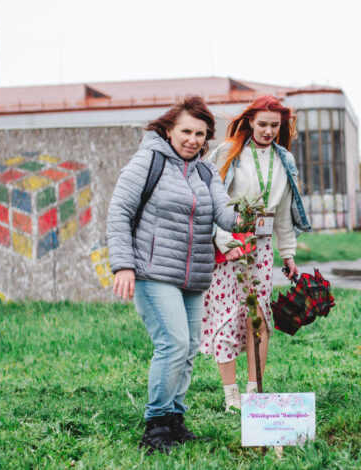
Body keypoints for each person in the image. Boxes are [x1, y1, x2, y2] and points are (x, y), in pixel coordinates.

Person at [107, 96, 240, 454]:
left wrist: (248, 215)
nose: (193, 139)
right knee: (174, 343)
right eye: (186, 131)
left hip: (193, 276)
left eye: (200, 133)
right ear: (168, 130)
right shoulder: (148, 160)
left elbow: (224, 213)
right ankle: (156, 425)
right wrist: (123, 265)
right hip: (152, 272)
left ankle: (175, 420)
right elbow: (119, 212)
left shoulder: (205, 171)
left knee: (190, 348)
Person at [202, 95, 310, 411]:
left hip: (261, 247)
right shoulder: (228, 153)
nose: (268, 131)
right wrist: (226, 242)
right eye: (262, 124)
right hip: (231, 242)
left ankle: (254, 389)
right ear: (250, 121)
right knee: (229, 315)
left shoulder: (284, 159)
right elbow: (213, 200)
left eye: (274, 125)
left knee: (259, 317)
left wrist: (288, 254)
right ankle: (230, 393)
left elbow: (285, 215)